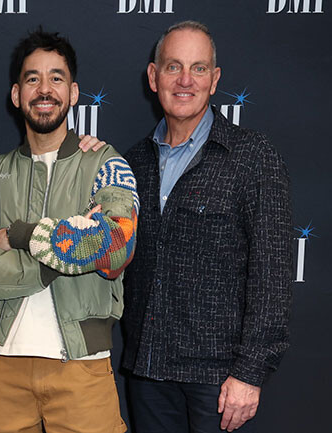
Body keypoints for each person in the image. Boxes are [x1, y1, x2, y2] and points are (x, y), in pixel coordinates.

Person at [0, 28, 137, 433]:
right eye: (32, 78)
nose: (44, 89)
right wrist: (64, 257)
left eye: (56, 78)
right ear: (16, 95)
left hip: (81, 370)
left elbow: (115, 247)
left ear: (73, 92)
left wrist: (21, 236)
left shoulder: (105, 163)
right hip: (0, 368)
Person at [121, 21, 292, 433]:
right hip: (147, 373)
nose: (184, 80)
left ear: (214, 81)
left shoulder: (252, 157)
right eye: (173, 67)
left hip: (218, 382)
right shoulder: (132, 163)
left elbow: (273, 275)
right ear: (153, 76)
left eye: (198, 69)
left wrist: (250, 372)